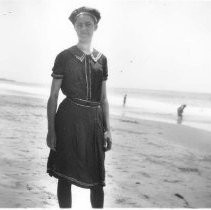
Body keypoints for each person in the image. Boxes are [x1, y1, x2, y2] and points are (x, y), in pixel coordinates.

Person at [46, 6, 112, 208]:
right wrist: (51, 130)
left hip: (94, 122)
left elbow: (104, 99)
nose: (84, 28)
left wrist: (108, 129)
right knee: (64, 176)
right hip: (68, 119)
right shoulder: (64, 56)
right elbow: (53, 96)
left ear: (96, 27)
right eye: (80, 24)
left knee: (97, 180)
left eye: (88, 24)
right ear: (74, 27)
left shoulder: (102, 59)